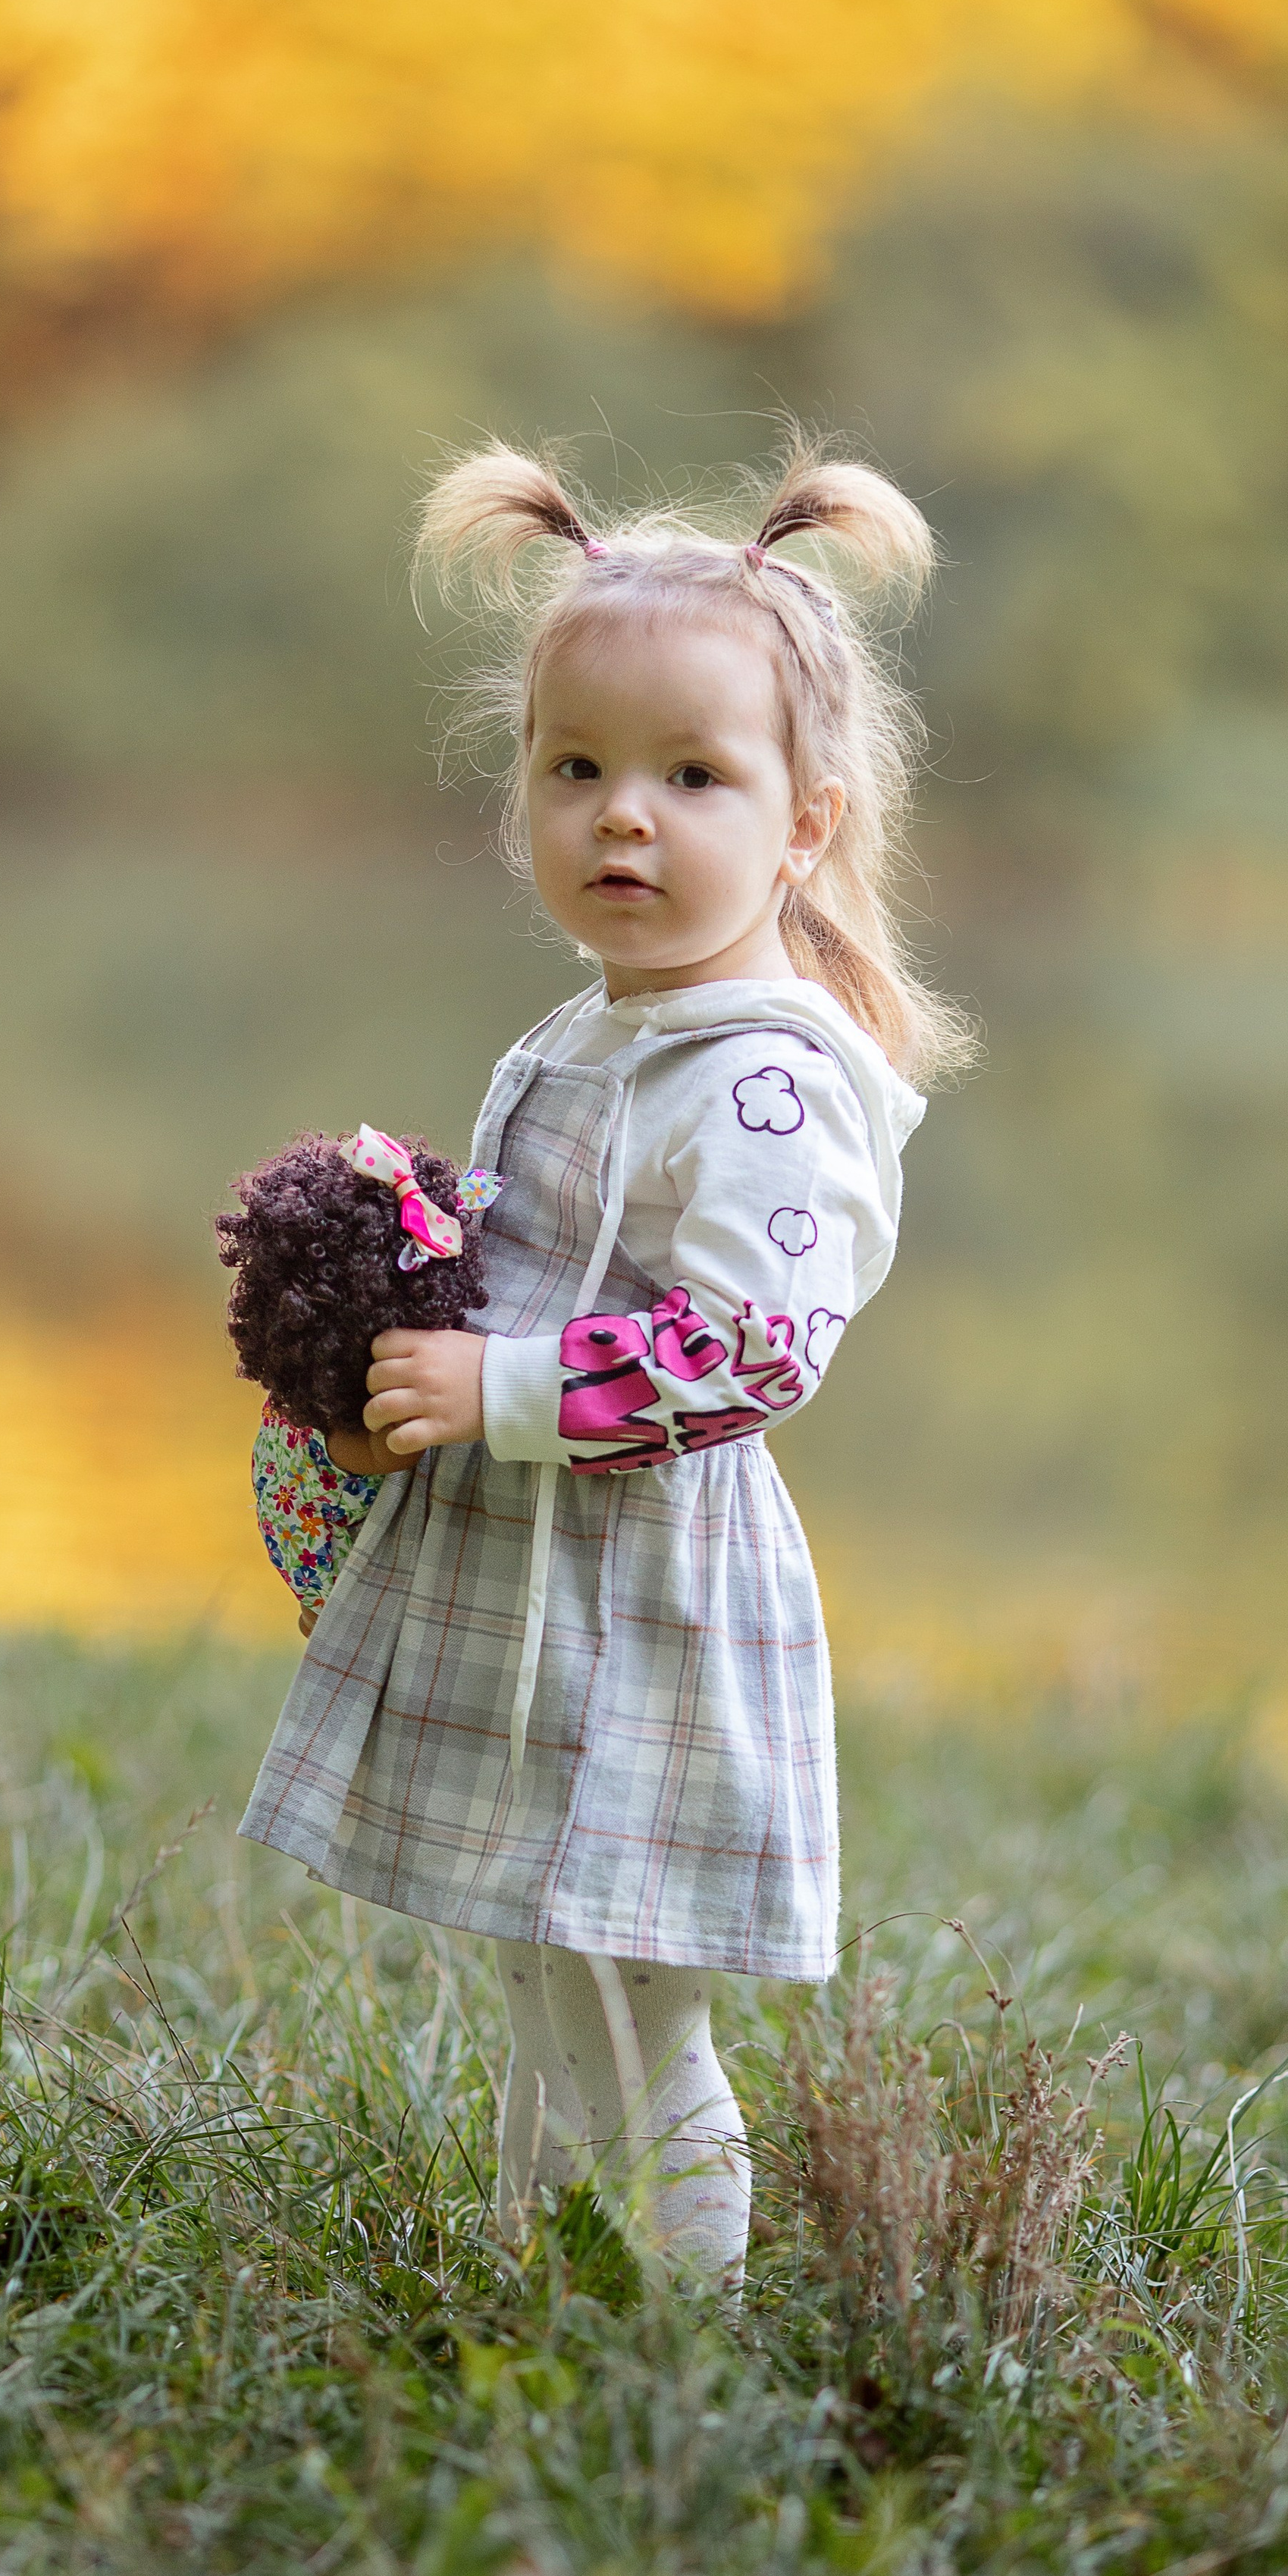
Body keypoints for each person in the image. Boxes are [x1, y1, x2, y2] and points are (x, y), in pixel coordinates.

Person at [237, 441, 971, 2293]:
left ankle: (670, 2348)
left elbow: (749, 1351)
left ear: (801, 823)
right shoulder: (594, 1026)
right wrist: (391, 1277)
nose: (619, 818)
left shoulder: (763, 1075)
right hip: (535, 1586)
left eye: (688, 776)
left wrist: (494, 1387)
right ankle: (540, 2283)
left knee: (635, 2016)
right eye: (576, 769)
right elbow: (531, 1248)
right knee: (542, 1972)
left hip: (640, 1596)